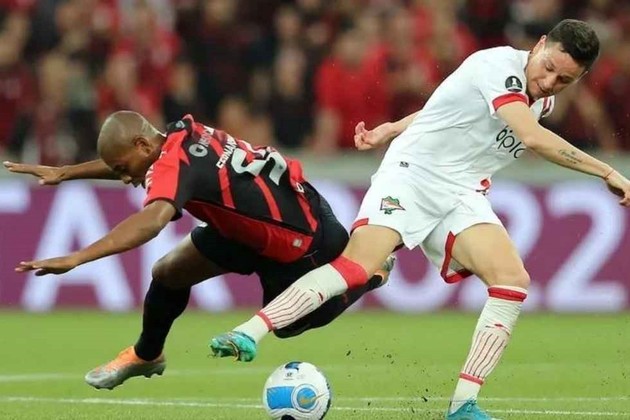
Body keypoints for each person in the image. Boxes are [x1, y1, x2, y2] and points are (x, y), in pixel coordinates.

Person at [209, 19, 630, 419]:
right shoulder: (498, 67)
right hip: (412, 175)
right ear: (538, 45)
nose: (549, 82)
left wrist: (391, 127)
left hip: (461, 192)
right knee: (357, 268)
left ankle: (463, 405)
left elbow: (449, 106)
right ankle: (249, 331)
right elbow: (532, 138)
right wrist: (607, 171)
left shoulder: (542, 99)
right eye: (548, 67)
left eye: (564, 80)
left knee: (512, 281)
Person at [5, 111, 395, 390]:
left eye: (123, 168)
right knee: (169, 272)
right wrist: (65, 173)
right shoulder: (177, 138)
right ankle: (146, 355)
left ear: (143, 144)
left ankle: (370, 273)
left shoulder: (174, 162)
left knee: (287, 325)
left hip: (302, 239)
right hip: (242, 231)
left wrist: (77, 257)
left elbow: (152, 221)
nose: (124, 178)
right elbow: (140, 163)